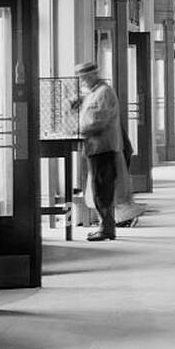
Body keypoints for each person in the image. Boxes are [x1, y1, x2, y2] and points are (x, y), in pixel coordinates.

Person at [71, 60, 122, 242]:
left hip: (103, 147)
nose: (82, 81)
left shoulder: (103, 93)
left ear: (93, 75)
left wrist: (79, 130)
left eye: (84, 78)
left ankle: (107, 227)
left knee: (102, 187)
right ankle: (105, 225)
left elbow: (98, 121)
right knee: (98, 186)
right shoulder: (95, 92)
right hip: (95, 147)